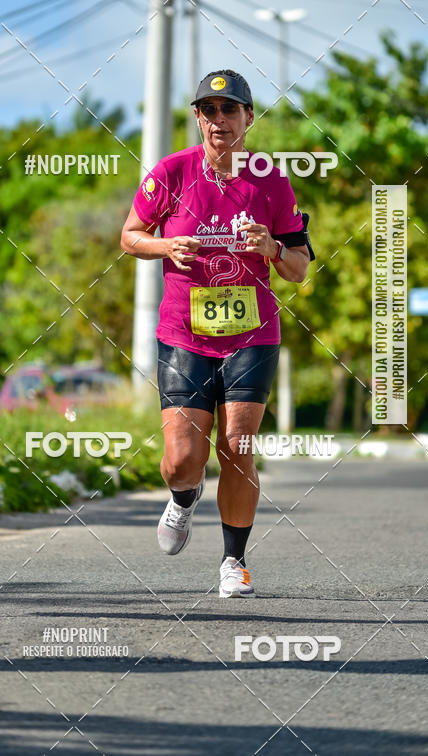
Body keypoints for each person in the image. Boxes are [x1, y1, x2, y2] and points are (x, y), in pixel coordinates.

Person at [121, 69, 311, 598]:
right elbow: (130, 235)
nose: (219, 119)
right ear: (198, 118)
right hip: (185, 333)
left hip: (252, 334)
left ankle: (234, 560)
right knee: (182, 459)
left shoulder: (271, 180)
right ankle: (183, 499)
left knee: (237, 446)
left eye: (230, 110)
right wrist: (166, 248)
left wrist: (271, 246)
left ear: (249, 117)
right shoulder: (173, 171)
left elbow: (298, 267)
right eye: (208, 110)